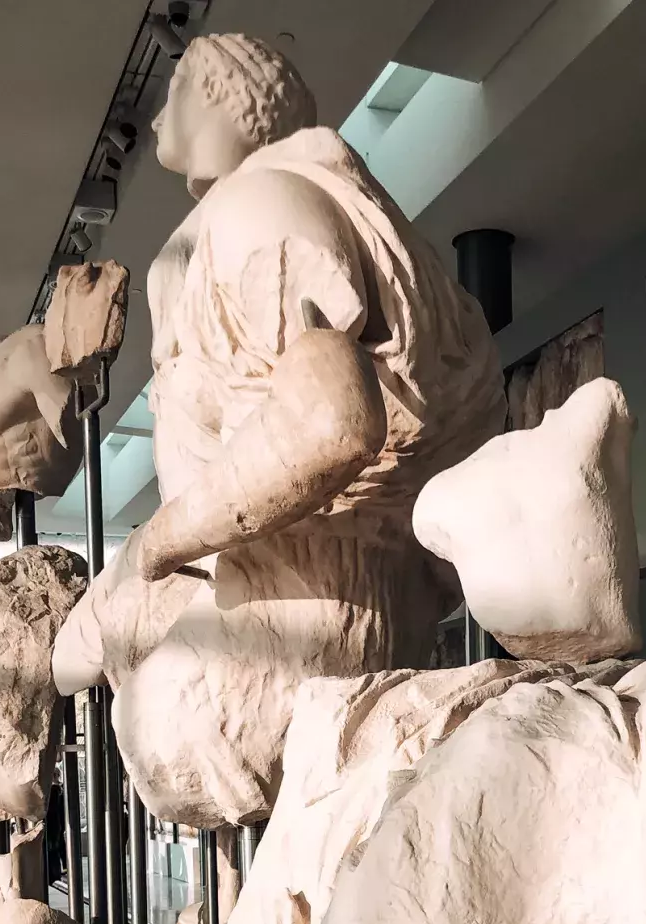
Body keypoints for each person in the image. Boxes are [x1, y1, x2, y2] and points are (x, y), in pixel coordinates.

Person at [53, 33, 505, 829]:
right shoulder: (251, 210)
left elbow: (331, 419)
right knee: (75, 649)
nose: (154, 116)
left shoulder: (260, 209)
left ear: (222, 97)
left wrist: (161, 542)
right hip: (316, 587)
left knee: (143, 709)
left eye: (175, 90)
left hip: (302, 608)